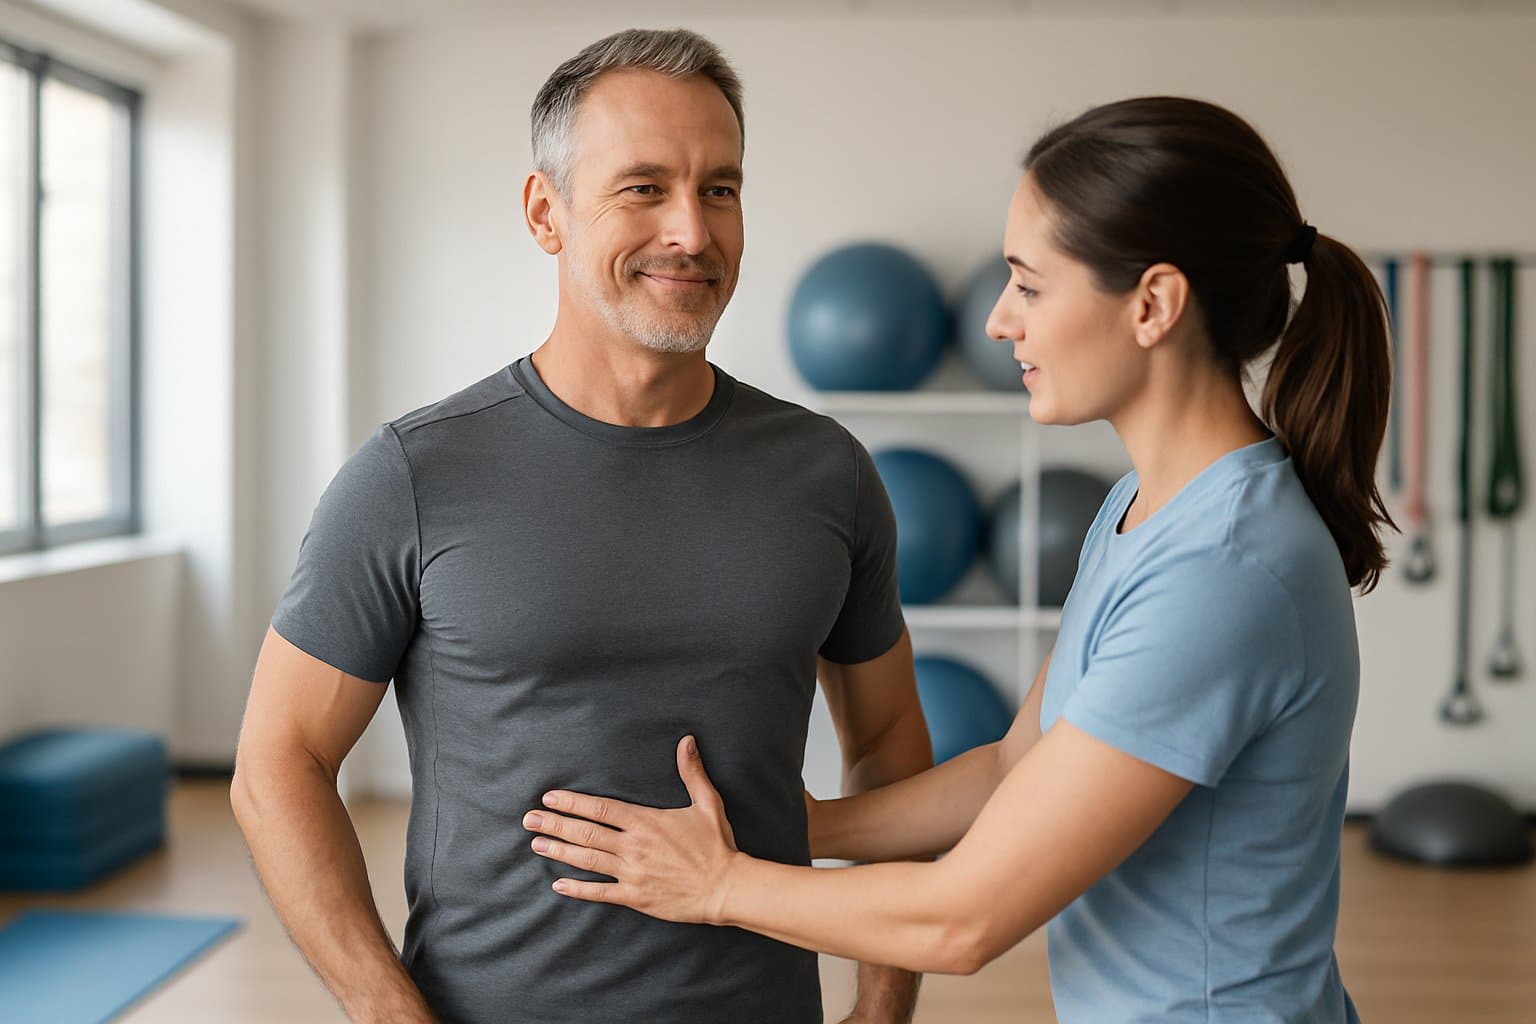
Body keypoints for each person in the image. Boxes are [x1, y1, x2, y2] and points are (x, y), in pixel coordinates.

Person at [520, 96, 1395, 1023]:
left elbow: (964, 918)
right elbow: (1017, 765)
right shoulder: (1144, 510)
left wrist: (720, 884)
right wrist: (791, 826)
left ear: (1153, 305)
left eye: (1029, 284)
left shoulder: (1224, 569)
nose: (999, 323)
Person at [231, 28, 932, 1024]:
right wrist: (388, 1010)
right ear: (544, 211)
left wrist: (885, 1002)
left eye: (720, 188)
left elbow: (892, 736)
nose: (691, 230)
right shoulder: (413, 474)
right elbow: (277, 763)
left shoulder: (826, 472)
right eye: (643, 187)